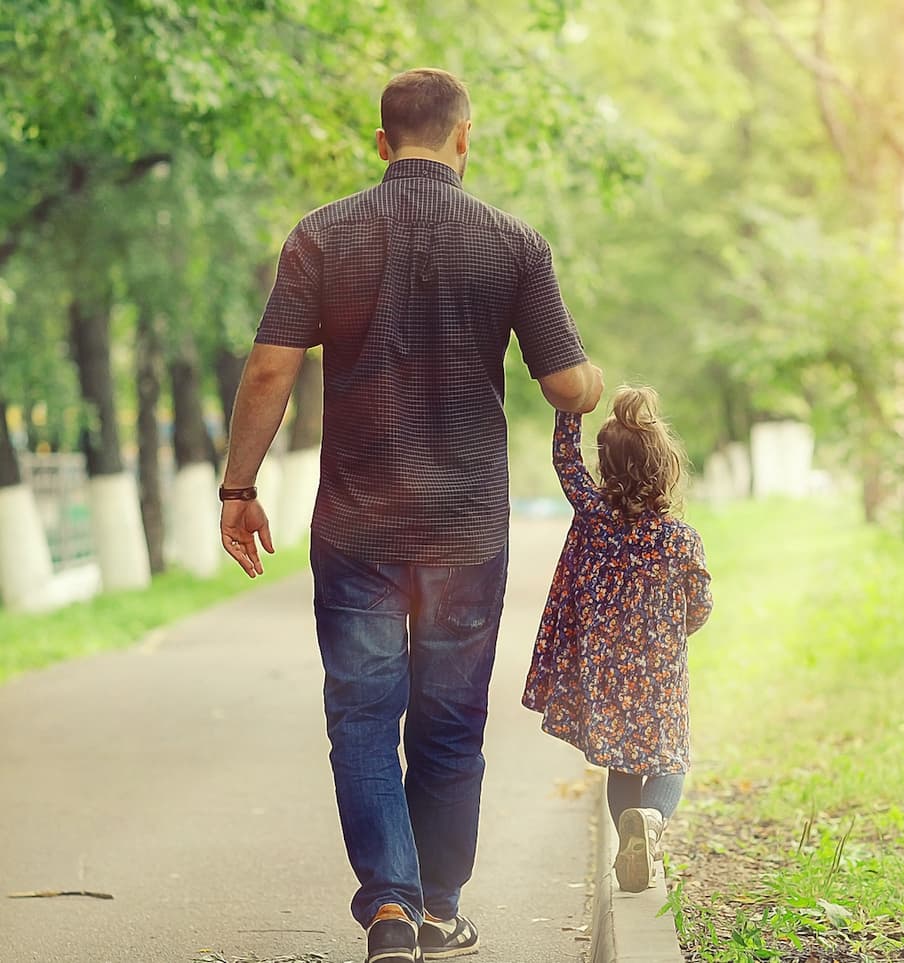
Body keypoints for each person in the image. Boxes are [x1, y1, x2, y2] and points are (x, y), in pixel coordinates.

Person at [217, 68, 604, 963]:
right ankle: (438, 906)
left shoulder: (321, 236)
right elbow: (561, 381)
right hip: (467, 528)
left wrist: (239, 489)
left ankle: (388, 909)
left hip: (357, 527)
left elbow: (271, 369)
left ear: (382, 143)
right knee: (449, 718)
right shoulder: (515, 245)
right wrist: (588, 382)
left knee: (360, 714)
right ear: (464, 139)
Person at [522, 386, 713, 893]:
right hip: (660, 674)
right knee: (670, 760)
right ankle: (651, 823)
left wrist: (570, 396)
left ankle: (631, 836)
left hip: (606, 674)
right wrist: (674, 630)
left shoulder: (596, 520)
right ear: (666, 467)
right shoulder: (680, 539)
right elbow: (700, 607)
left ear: (606, 468)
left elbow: (565, 458)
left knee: (622, 764)